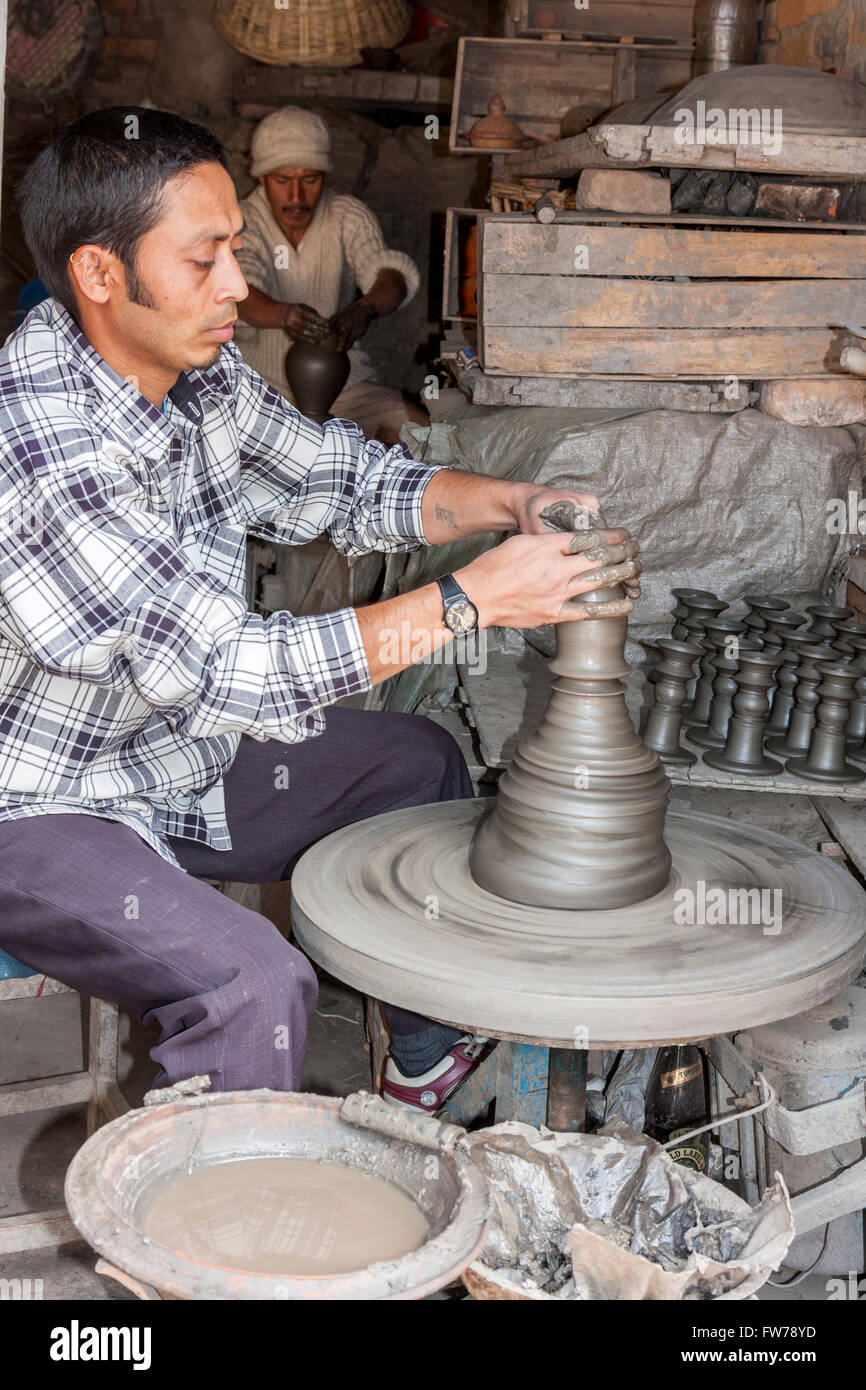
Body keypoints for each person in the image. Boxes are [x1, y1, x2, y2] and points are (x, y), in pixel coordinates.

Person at [0, 107, 640, 1112]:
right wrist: (473, 598)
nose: (235, 290)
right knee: (250, 983)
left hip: (172, 751)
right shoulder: (42, 447)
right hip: (38, 800)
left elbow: (344, 479)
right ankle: (208, 1248)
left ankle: (418, 1055)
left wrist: (503, 502)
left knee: (417, 762)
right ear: (98, 273)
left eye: (235, 255)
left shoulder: (192, 375)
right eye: (205, 259)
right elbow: (232, 668)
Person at [234, 106, 426, 445]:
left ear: (324, 176)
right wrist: (285, 315)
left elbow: (388, 272)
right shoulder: (242, 220)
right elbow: (241, 291)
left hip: (340, 387)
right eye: (283, 180)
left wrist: (366, 307)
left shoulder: (345, 214)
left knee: (417, 432)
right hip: (255, 385)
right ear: (262, 177)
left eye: (309, 180)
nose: (296, 196)